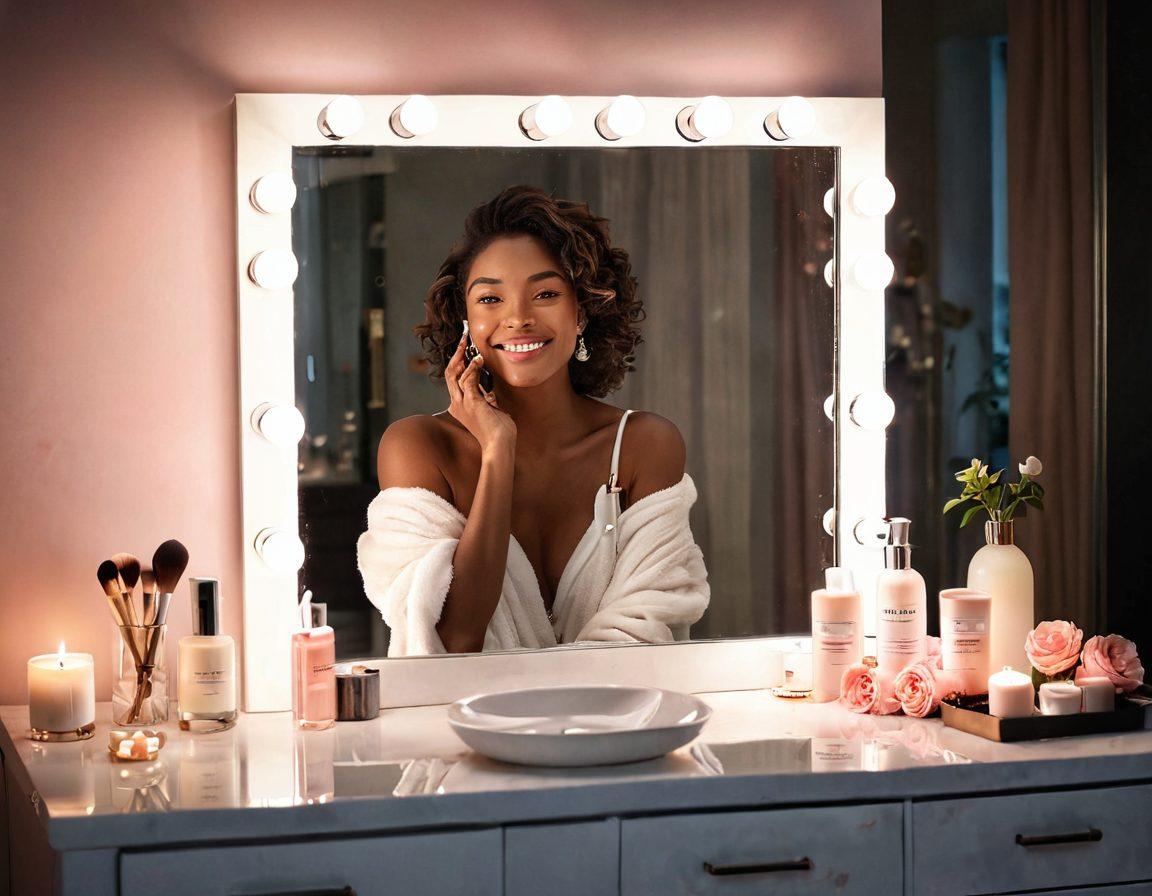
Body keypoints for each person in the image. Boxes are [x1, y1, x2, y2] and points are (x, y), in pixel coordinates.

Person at [357, 185, 709, 655]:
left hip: (617, 724)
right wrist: (498, 451)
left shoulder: (644, 446)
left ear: (581, 311)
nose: (518, 318)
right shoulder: (418, 448)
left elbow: (644, 638)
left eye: (545, 293)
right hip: (455, 729)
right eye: (490, 299)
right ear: (465, 319)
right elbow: (453, 640)